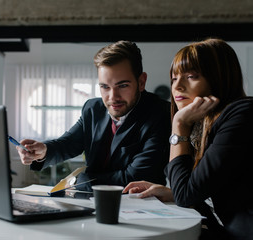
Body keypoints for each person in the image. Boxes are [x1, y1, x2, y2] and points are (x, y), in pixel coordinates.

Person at [123, 38, 253, 239]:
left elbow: (185, 195)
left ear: (218, 78)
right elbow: (198, 189)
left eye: (191, 76)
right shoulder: (201, 126)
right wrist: (170, 192)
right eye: (174, 78)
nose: (178, 86)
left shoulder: (243, 114)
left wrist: (179, 125)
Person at [17, 40, 171, 191]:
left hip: (141, 208)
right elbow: (69, 143)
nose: (113, 97)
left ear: (142, 82)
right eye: (105, 87)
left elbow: (136, 178)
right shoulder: (93, 109)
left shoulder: (161, 114)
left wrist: (81, 181)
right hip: (91, 203)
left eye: (123, 86)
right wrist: (43, 151)